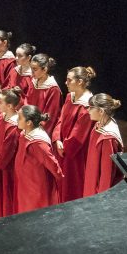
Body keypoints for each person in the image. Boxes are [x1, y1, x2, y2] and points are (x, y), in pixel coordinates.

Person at [52, 66, 96, 202]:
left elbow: (78, 135)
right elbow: (61, 118)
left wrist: (65, 148)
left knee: (73, 183)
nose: (65, 83)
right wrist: (57, 138)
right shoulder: (70, 97)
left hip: (75, 152)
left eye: (69, 80)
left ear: (80, 82)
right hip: (62, 147)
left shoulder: (87, 105)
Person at [15, 104, 63, 213]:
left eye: (20, 118)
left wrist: (59, 176)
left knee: (35, 211)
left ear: (29, 123)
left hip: (36, 185)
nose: (16, 120)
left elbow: (51, 162)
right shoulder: (25, 133)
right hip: (26, 181)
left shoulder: (38, 142)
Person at [83, 93, 124, 197]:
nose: (88, 110)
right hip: (92, 181)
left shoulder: (108, 138)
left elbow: (107, 174)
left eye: (91, 108)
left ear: (101, 111)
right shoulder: (99, 125)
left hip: (99, 191)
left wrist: (101, 198)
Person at [0, 87, 21, 218]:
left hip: (7, 166)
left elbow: (8, 151)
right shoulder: (2, 116)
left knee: (7, 193)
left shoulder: (14, 125)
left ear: (9, 106)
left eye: (0, 102)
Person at [27, 53, 61, 136]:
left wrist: (38, 129)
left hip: (38, 130)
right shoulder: (34, 81)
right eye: (31, 69)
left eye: (34, 69)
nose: (31, 73)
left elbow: (50, 114)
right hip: (28, 124)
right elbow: (27, 101)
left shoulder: (53, 89)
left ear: (45, 70)